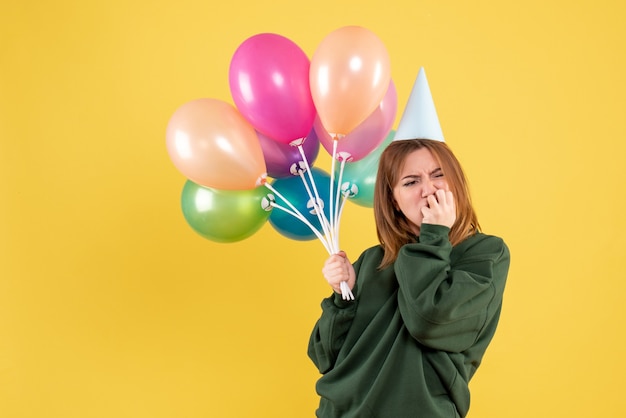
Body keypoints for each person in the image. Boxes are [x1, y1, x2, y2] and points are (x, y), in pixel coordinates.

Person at [308, 138, 510, 418]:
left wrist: (435, 233)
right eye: (411, 182)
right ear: (394, 198)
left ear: (456, 182)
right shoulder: (373, 260)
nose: (429, 189)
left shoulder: (485, 253)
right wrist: (344, 296)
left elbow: (430, 320)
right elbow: (325, 356)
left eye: (438, 175)